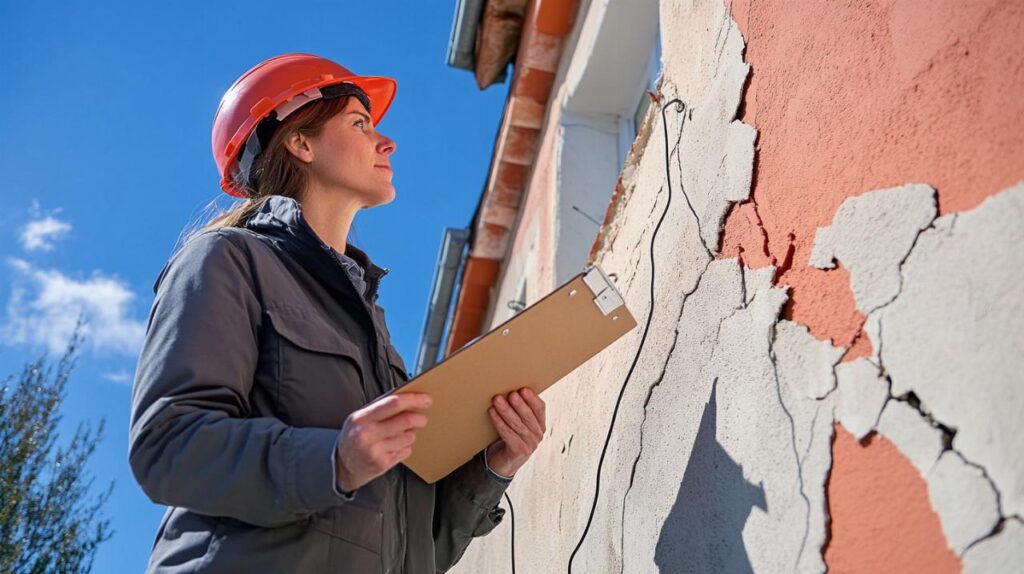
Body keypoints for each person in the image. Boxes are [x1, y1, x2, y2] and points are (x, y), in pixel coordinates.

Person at [128, 53, 547, 573]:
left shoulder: (371, 323)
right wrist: (335, 460)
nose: (386, 141)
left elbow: (414, 551)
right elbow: (168, 446)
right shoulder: (226, 259)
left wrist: (491, 468)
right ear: (301, 143)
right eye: (359, 123)